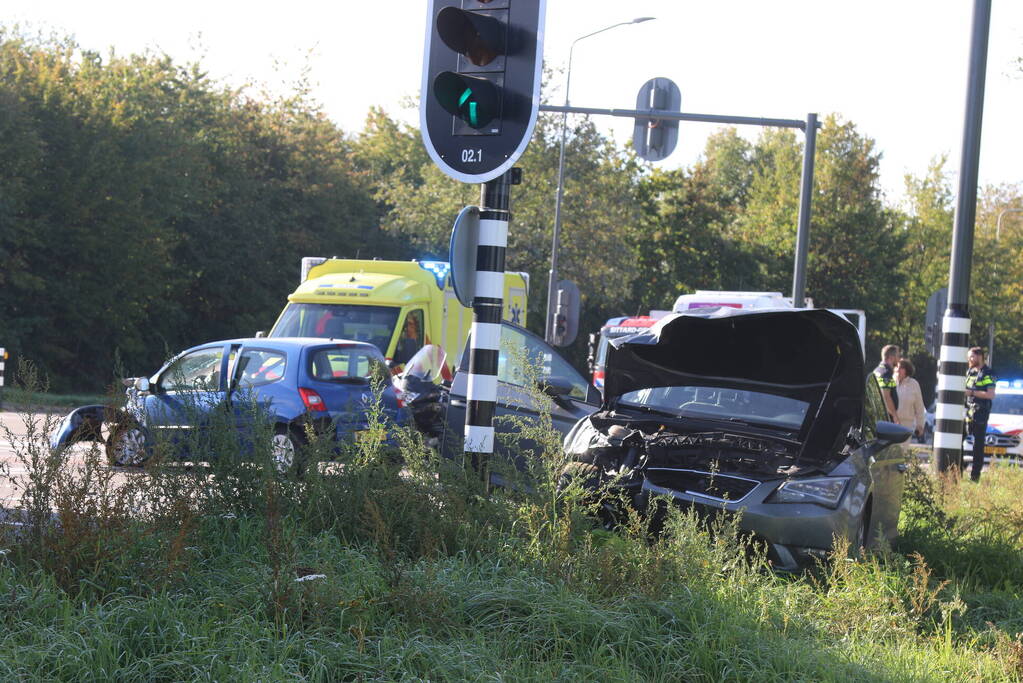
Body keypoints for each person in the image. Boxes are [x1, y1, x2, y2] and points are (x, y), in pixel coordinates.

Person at [963, 346, 997, 482]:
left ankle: (975, 476)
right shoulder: (970, 372)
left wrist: (971, 393)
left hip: (980, 413)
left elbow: (990, 394)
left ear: (980, 356)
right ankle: (958, 468)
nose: (969, 359)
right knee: (958, 439)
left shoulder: (988, 373)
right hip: (967, 412)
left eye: (972, 356)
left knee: (978, 446)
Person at [895, 359, 926, 440]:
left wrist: (920, 425)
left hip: (906, 425)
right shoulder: (890, 382)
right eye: (897, 367)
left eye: (901, 367)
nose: (898, 369)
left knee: (902, 451)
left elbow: (919, 407)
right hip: (891, 423)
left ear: (907, 370)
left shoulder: (914, 384)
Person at [873, 344, 901, 422]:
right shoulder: (886, 373)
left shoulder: (877, 370)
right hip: (885, 418)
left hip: (877, 416)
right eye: (898, 356)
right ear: (891, 357)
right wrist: (895, 416)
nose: (899, 359)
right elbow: (886, 397)